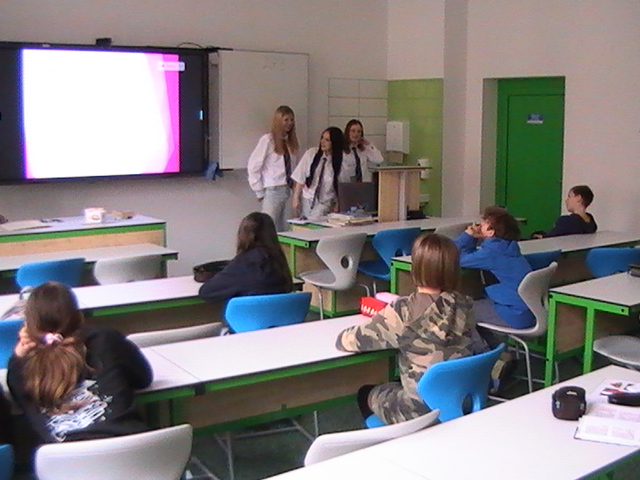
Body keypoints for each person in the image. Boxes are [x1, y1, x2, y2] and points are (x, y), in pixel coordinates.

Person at [335, 233, 478, 425]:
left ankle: (395, 441)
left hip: (421, 411)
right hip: (461, 401)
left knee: (366, 393)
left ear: (415, 268)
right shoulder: (465, 305)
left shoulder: (403, 311)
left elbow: (347, 341)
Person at [7, 281, 152, 443]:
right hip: (131, 448)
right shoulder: (106, 339)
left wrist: (17, 356)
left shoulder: (22, 366)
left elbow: (19, 397)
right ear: (78, 315)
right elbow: (144, 379)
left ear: (28, 324)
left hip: (66, 457)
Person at [454, 206, 534, 329]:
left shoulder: (491, 253)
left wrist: (467, 236)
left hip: (513, 314)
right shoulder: (507, 246)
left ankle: (481, 342)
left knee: (457, 311)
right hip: (527, 311)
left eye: (484, 222)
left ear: (491, 232)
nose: (480, 224)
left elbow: (453, 256)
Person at [199, 211, 293, 303]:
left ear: (243, 235)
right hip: (279, 313)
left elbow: (206, 292)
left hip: (248, 313)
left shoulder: (242, 263)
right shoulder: (279, 261)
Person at [247, 105, 299, 232]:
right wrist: (259, 191)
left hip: (288, 190)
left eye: (292, 120)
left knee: (288, 228)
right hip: (273, 190)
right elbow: (253, 166)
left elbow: (293, 168)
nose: (289, 123)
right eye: (286, 120)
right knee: (269, 229)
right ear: (278, 121)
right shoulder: (268, 140)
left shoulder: (290, 142)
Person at [291, 127, 344, 219]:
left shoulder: (340, 161)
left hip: (325, 202)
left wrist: (337, 203)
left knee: (316, 221)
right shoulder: (311, 153)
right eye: (322, 138)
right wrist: (296, 197)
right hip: (308, 198)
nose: (323, 142)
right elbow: (300, 176)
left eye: (327, 140)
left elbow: (339, 184)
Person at [532, 185, 597, 238]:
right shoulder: (591, 222)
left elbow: (550, 238)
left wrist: (539, 236)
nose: (566, 200)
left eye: (569, 196)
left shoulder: (565, 221)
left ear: (578, 198)